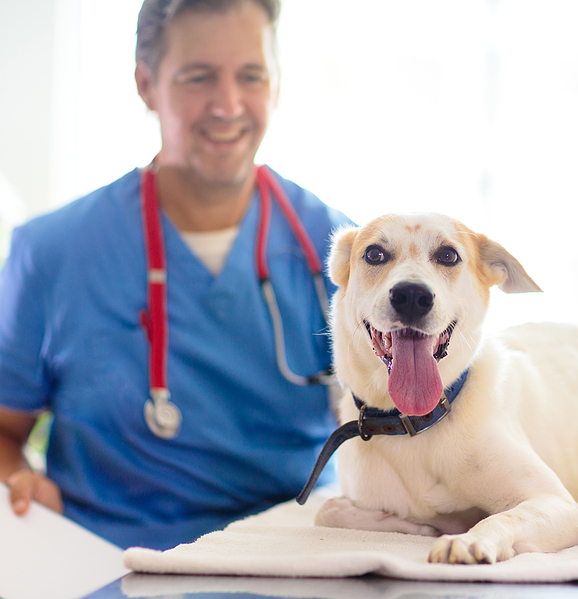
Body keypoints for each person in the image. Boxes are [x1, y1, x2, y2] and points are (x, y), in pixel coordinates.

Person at [0, 0, 352, 550]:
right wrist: (15, 481)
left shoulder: (343, 254)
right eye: (198, 77)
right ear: (146, 84)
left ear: (277, 84)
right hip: (112, 567)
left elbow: (404, 425)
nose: (228, 104)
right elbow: (5, 429)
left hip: (294, 560)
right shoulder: (51, 252)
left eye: (251, 75)